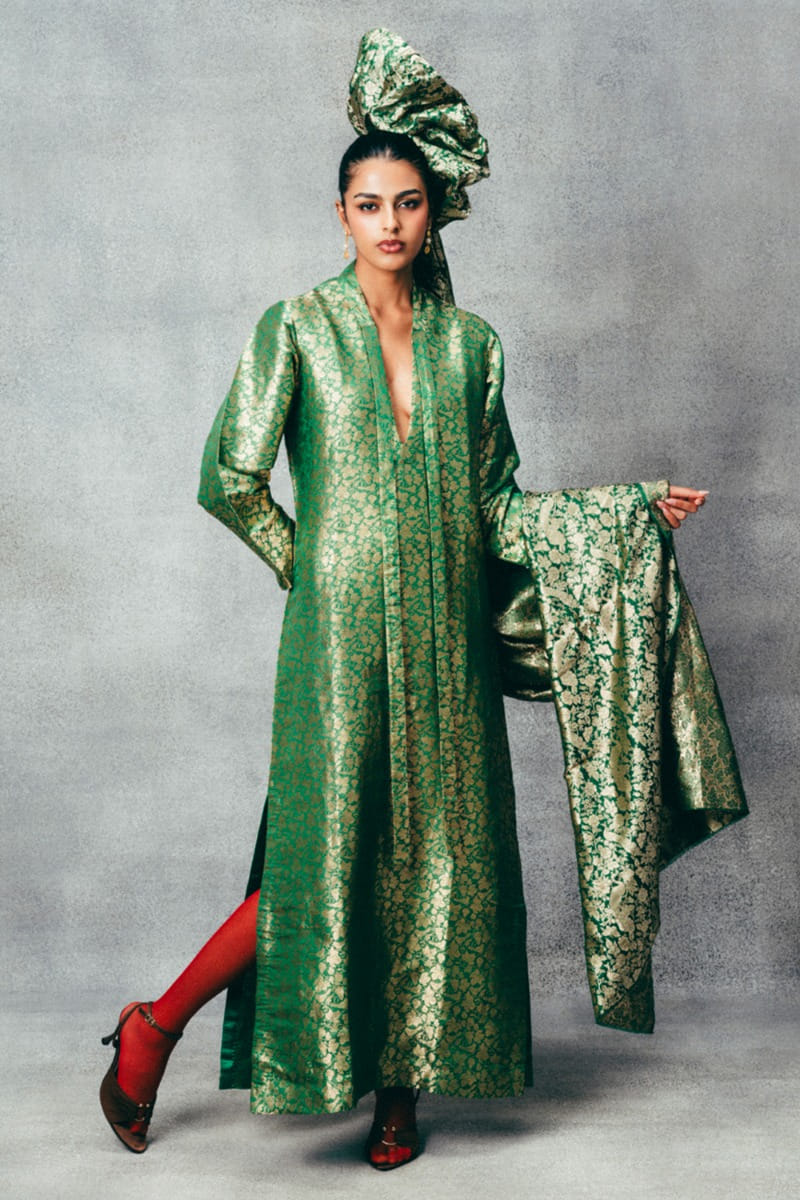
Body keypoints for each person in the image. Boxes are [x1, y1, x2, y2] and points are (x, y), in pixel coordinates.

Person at [99, 29, 741, 1172]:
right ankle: (155, 1026)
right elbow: (228, 477)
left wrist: (623, 509)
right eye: (367, 205)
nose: (388, 222)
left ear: (432, 213)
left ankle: (398, 1094)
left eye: (406, 203)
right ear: (339, 215)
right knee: (319, 865)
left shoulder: (469, 349)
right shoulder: (297, 327)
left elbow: (494, 508)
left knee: (440, 857)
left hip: (447, 637)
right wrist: (307, 564)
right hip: (337, 640)